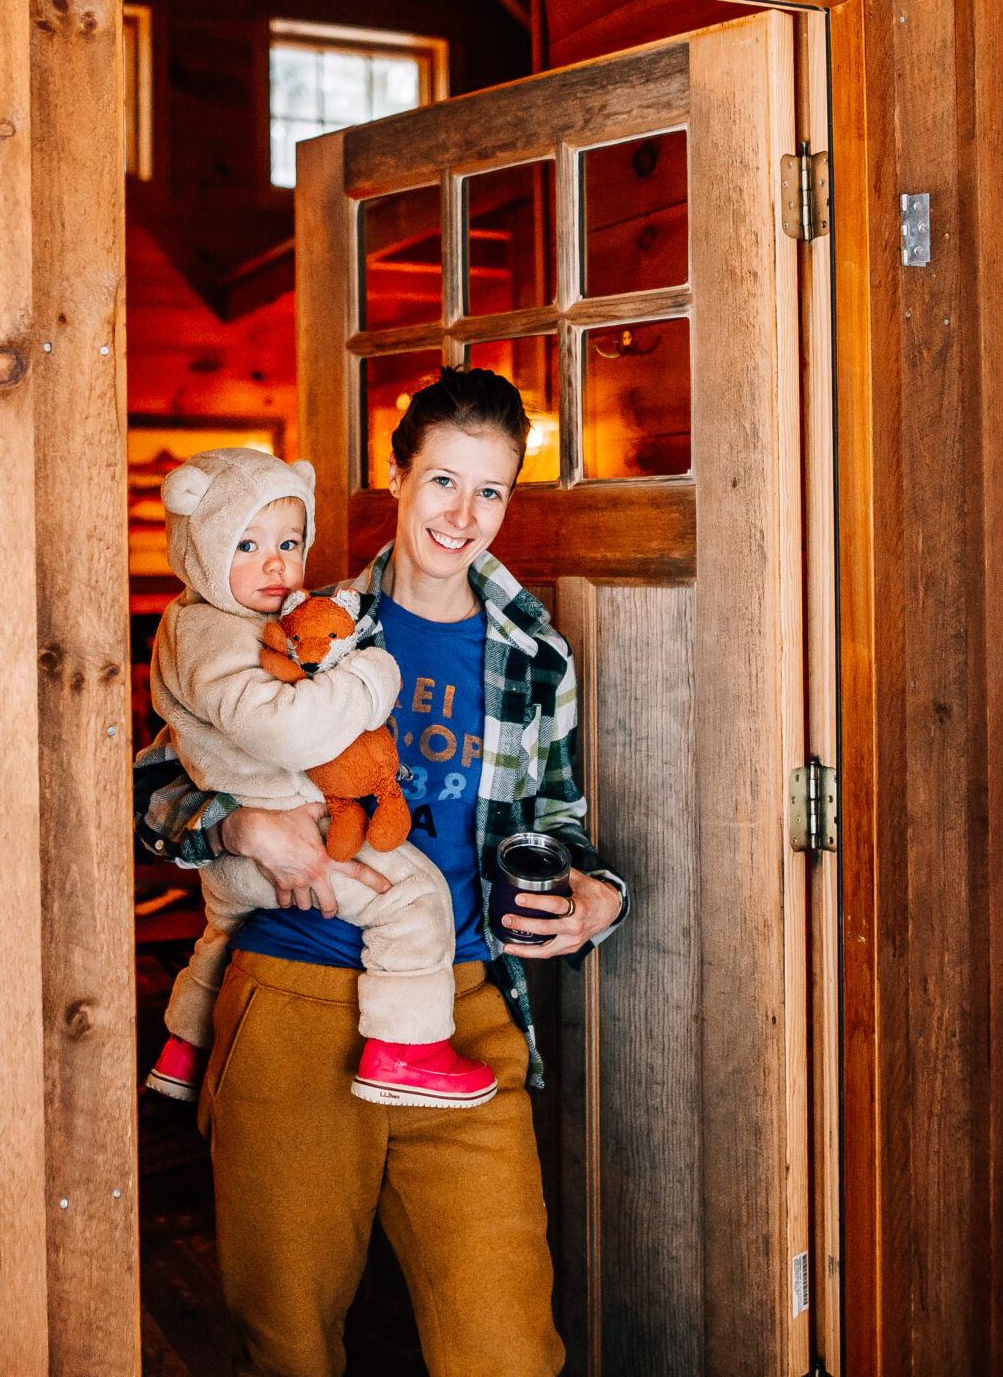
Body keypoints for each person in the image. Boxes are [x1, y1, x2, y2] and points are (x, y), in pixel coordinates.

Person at [136, 367, 627, 1377]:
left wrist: (596, 895)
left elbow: (556, 817)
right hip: (294, 999)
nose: (461, 515)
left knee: (508, 1350)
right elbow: (153, 783)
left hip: (461, 1012)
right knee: (289, 1346)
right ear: (396, 475)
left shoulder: (533, 653)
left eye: (489, 491)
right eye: (443, 480)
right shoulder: (290, 614)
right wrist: (240, 826)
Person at [139, 443, 497, 1110]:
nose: (276, 563)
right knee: (415, 896)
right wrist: (371, 679)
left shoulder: (239, 621)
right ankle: (406, 1050)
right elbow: (282, 730)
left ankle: (185, 1046)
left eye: (289, 541)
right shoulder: (215, 632)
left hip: (244, 859)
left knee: (219, 934)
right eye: (245, 544)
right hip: (276, 834)